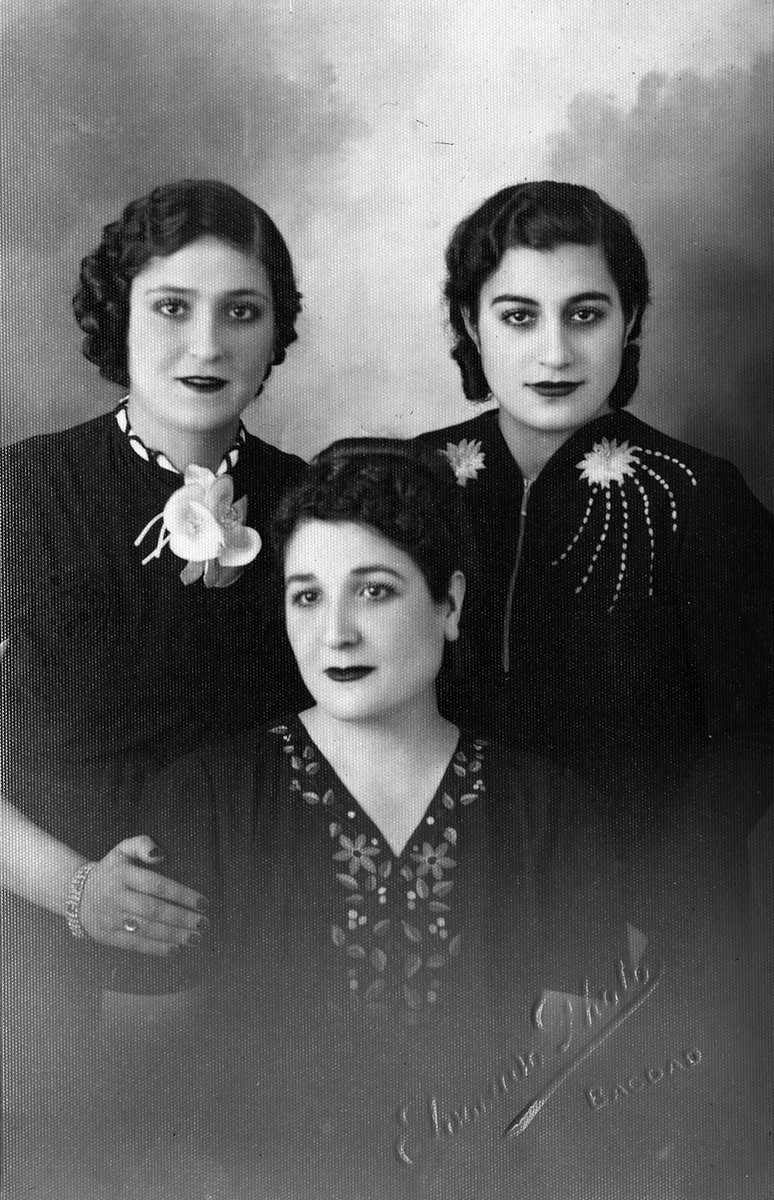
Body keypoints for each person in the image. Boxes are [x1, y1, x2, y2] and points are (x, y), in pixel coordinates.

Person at [104, 443, 768, 1200]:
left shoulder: (552, 812)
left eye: (375, 591)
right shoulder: (202, 799)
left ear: (448, 604)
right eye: (307, 597)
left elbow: (568, 1110)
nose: (336, 633)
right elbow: (140, 1097)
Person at [0, 180, 309, 1170]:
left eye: (241, 312)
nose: (207, 345)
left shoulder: (317, 506)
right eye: (173, 307)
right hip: (43, 953)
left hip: (265, 962)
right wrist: (75, 890)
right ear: (118, 318)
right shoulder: (23, 491)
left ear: (274, 332)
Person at [414, 181, 774, 811]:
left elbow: (757, 732)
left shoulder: (697, 495)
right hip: (443, 857)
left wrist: (663, 876)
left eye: (585, 315)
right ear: (472, 322)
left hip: (638, 865)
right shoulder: (413, 477)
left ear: (629, 319)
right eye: (519, 317)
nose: (555, 354)